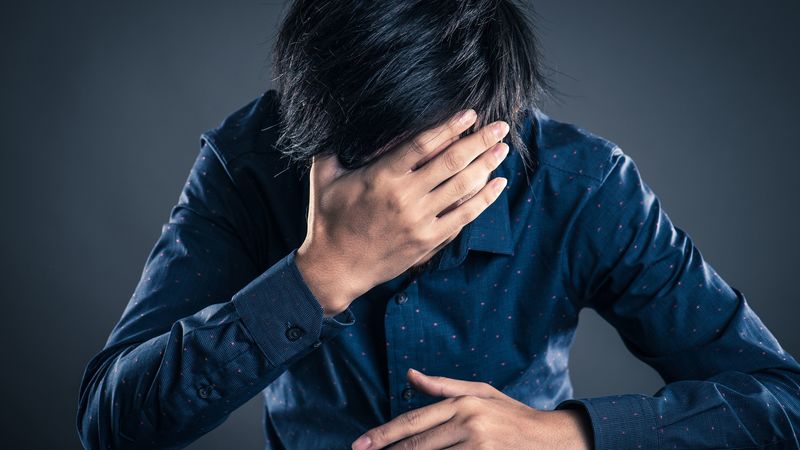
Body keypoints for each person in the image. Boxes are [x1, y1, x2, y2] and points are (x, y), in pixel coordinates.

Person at [76, 1, 800, 449]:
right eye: (372, 163)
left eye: (433, 161)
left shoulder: (581, 183)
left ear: (491, 128)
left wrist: (566, 435)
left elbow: (781, 404)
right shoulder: (250, 161)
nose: (403, 201)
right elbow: (112, 424)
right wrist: (321, 274)